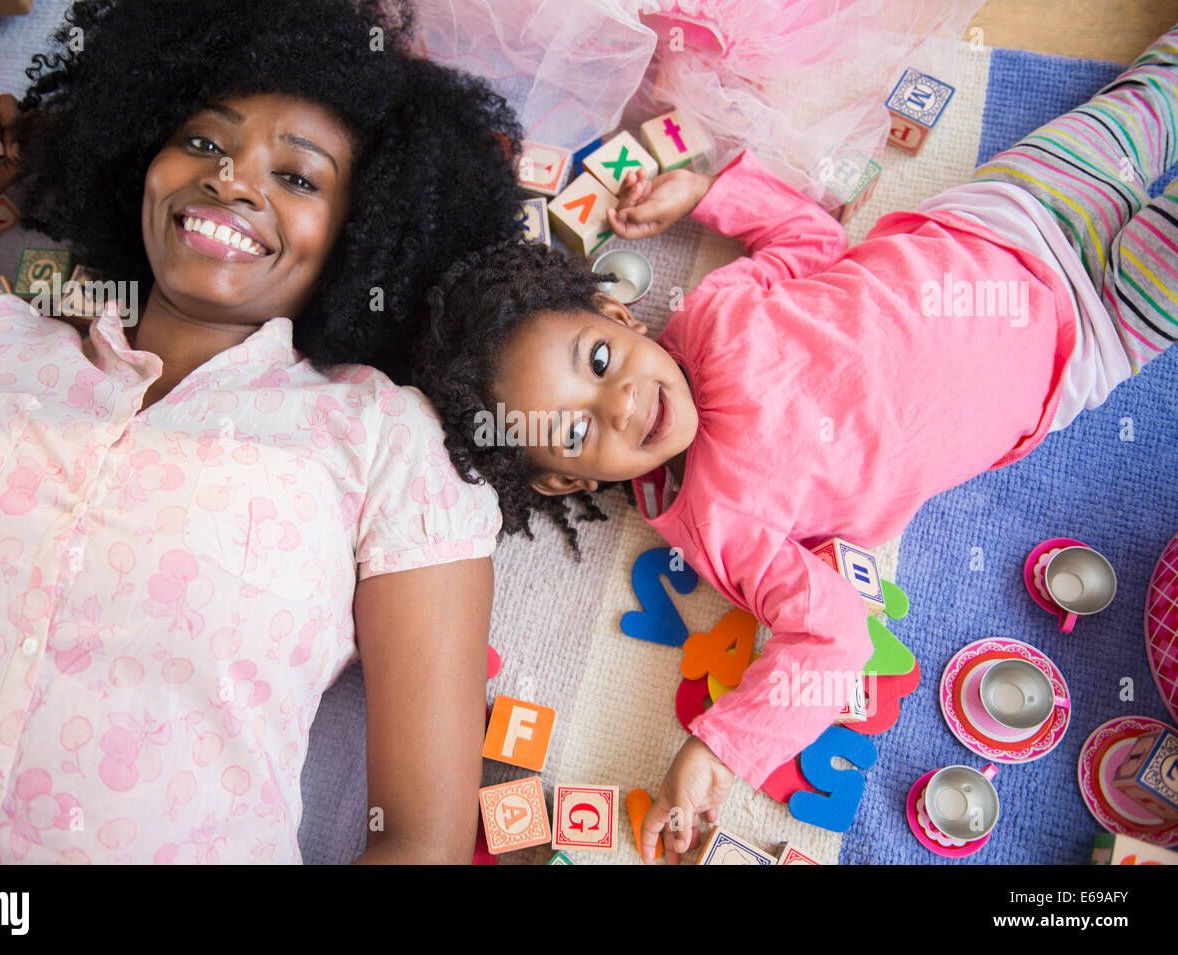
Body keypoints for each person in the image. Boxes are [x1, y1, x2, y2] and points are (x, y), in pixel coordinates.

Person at [416, 27, 1178, 863]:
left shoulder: (712, 312)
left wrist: (709, 191)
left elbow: (811, 244)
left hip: (1007, 218)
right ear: (564, 481)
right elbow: (833, 636)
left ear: (620, 317)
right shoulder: (716, 525)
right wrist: (720, 747)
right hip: (1085, 348)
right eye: (575, 429)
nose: (623, 401)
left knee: (1149, 105)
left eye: (600, 361)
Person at [0, 0, 524, 864]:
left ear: (364, 236)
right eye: (203, 143)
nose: (233, 180)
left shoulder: (381, 438)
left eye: (298, 178)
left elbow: (421, 840)